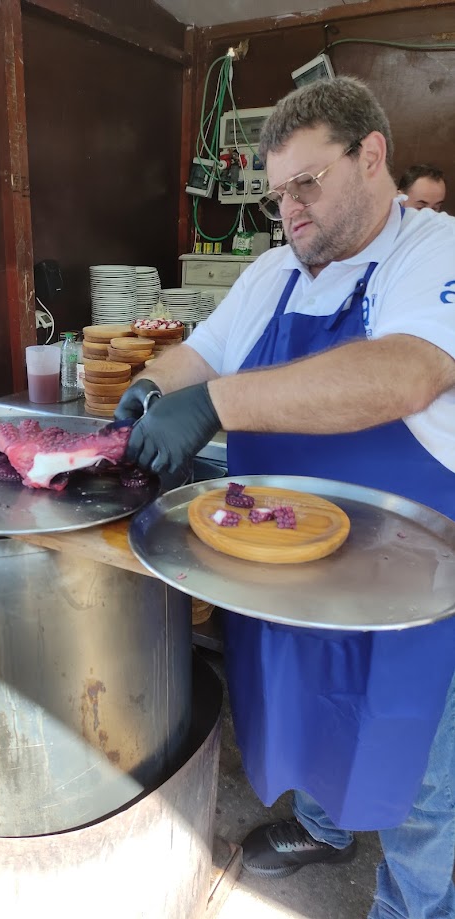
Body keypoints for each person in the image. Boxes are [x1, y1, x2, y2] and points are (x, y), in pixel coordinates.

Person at [116, 77, 455, 919]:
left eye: (307, 184)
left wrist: (219, 404)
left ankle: (418, 903)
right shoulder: (273, 270)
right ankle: (322, 826)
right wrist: (153, 387)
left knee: (420, 773)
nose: (289, 211)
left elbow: (407, 371)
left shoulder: (433, 252)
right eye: (278, 194)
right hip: (280, 569)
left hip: (408, 580)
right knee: (305, 717)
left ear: (371, 157)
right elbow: (201, 352)